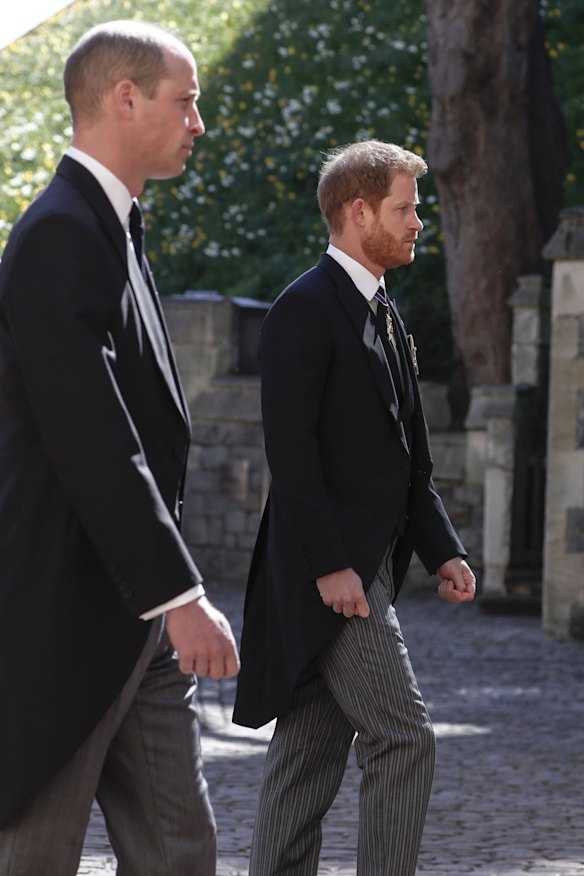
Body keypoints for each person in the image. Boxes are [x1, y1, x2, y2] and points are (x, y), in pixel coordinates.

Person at [0, 20, 239, 875]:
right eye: (188, 101)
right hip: (68, 611)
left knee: (180, 849)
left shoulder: (114, 224)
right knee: (33, 851)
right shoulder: (61, 232)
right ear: (124, 97)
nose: (198, 124)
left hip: (133, 617)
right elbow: (91, 434)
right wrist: (178, 594)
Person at [233, 140, 476, 875]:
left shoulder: (385, 313)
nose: (417, 223)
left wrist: (444, 548)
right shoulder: (303, 310)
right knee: (406, 738)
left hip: (363, 567)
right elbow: (293, 454)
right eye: (405, 209)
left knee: (307, 755)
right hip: (332, 574)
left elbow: (410, 461)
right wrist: (333, 565)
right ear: (358, 210)